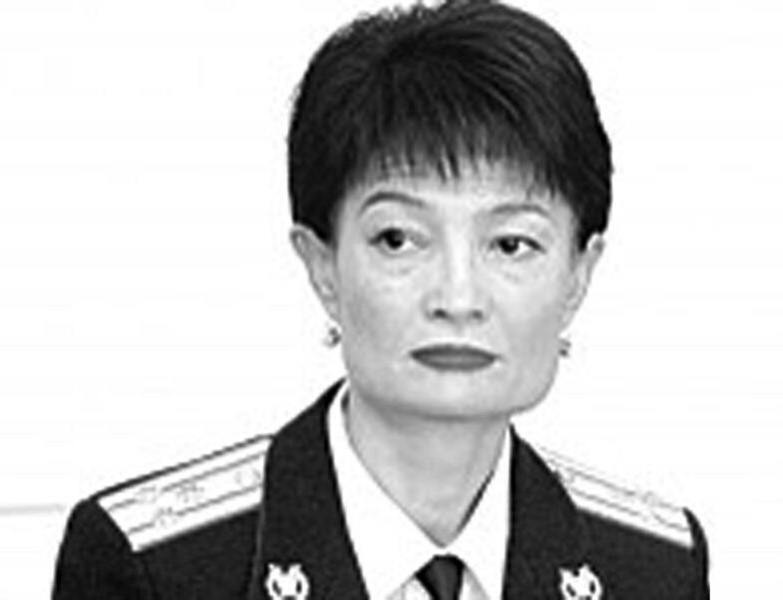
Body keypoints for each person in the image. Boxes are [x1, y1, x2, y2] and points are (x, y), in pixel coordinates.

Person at [51, 1, 710, 598]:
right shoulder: (154, 568)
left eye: (511, 244)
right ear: (322, 266)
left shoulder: (653, 570)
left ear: (578, 276)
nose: (458, 298)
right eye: (399, 239)